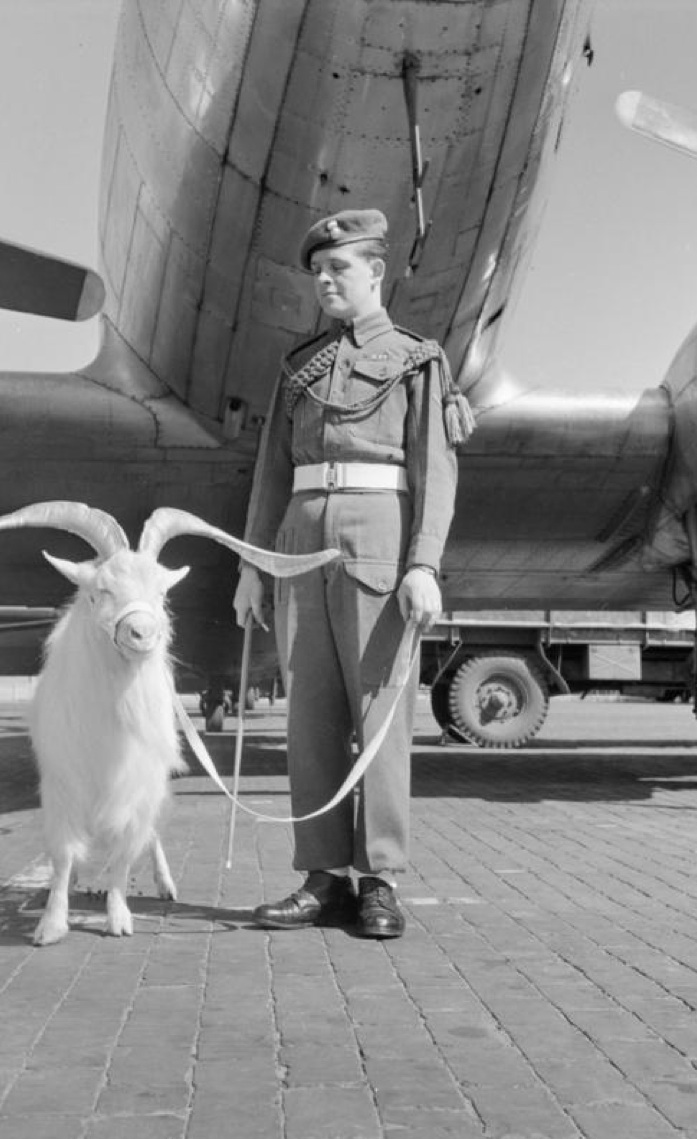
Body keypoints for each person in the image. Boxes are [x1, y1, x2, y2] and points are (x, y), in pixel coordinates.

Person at [233, 208, 470, 939]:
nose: (324, 282)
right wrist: (253, 567)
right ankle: (322, 877)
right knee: (309, 719)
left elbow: (435, 468)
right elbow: (271, 473)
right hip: (301, 541)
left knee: (380, 720)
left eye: (338, 268)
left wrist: (424, 563)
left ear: (376, 271)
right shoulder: (299, 368)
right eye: (317, 272)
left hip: (379, 541)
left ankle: (380, 880)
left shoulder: (415, 359)